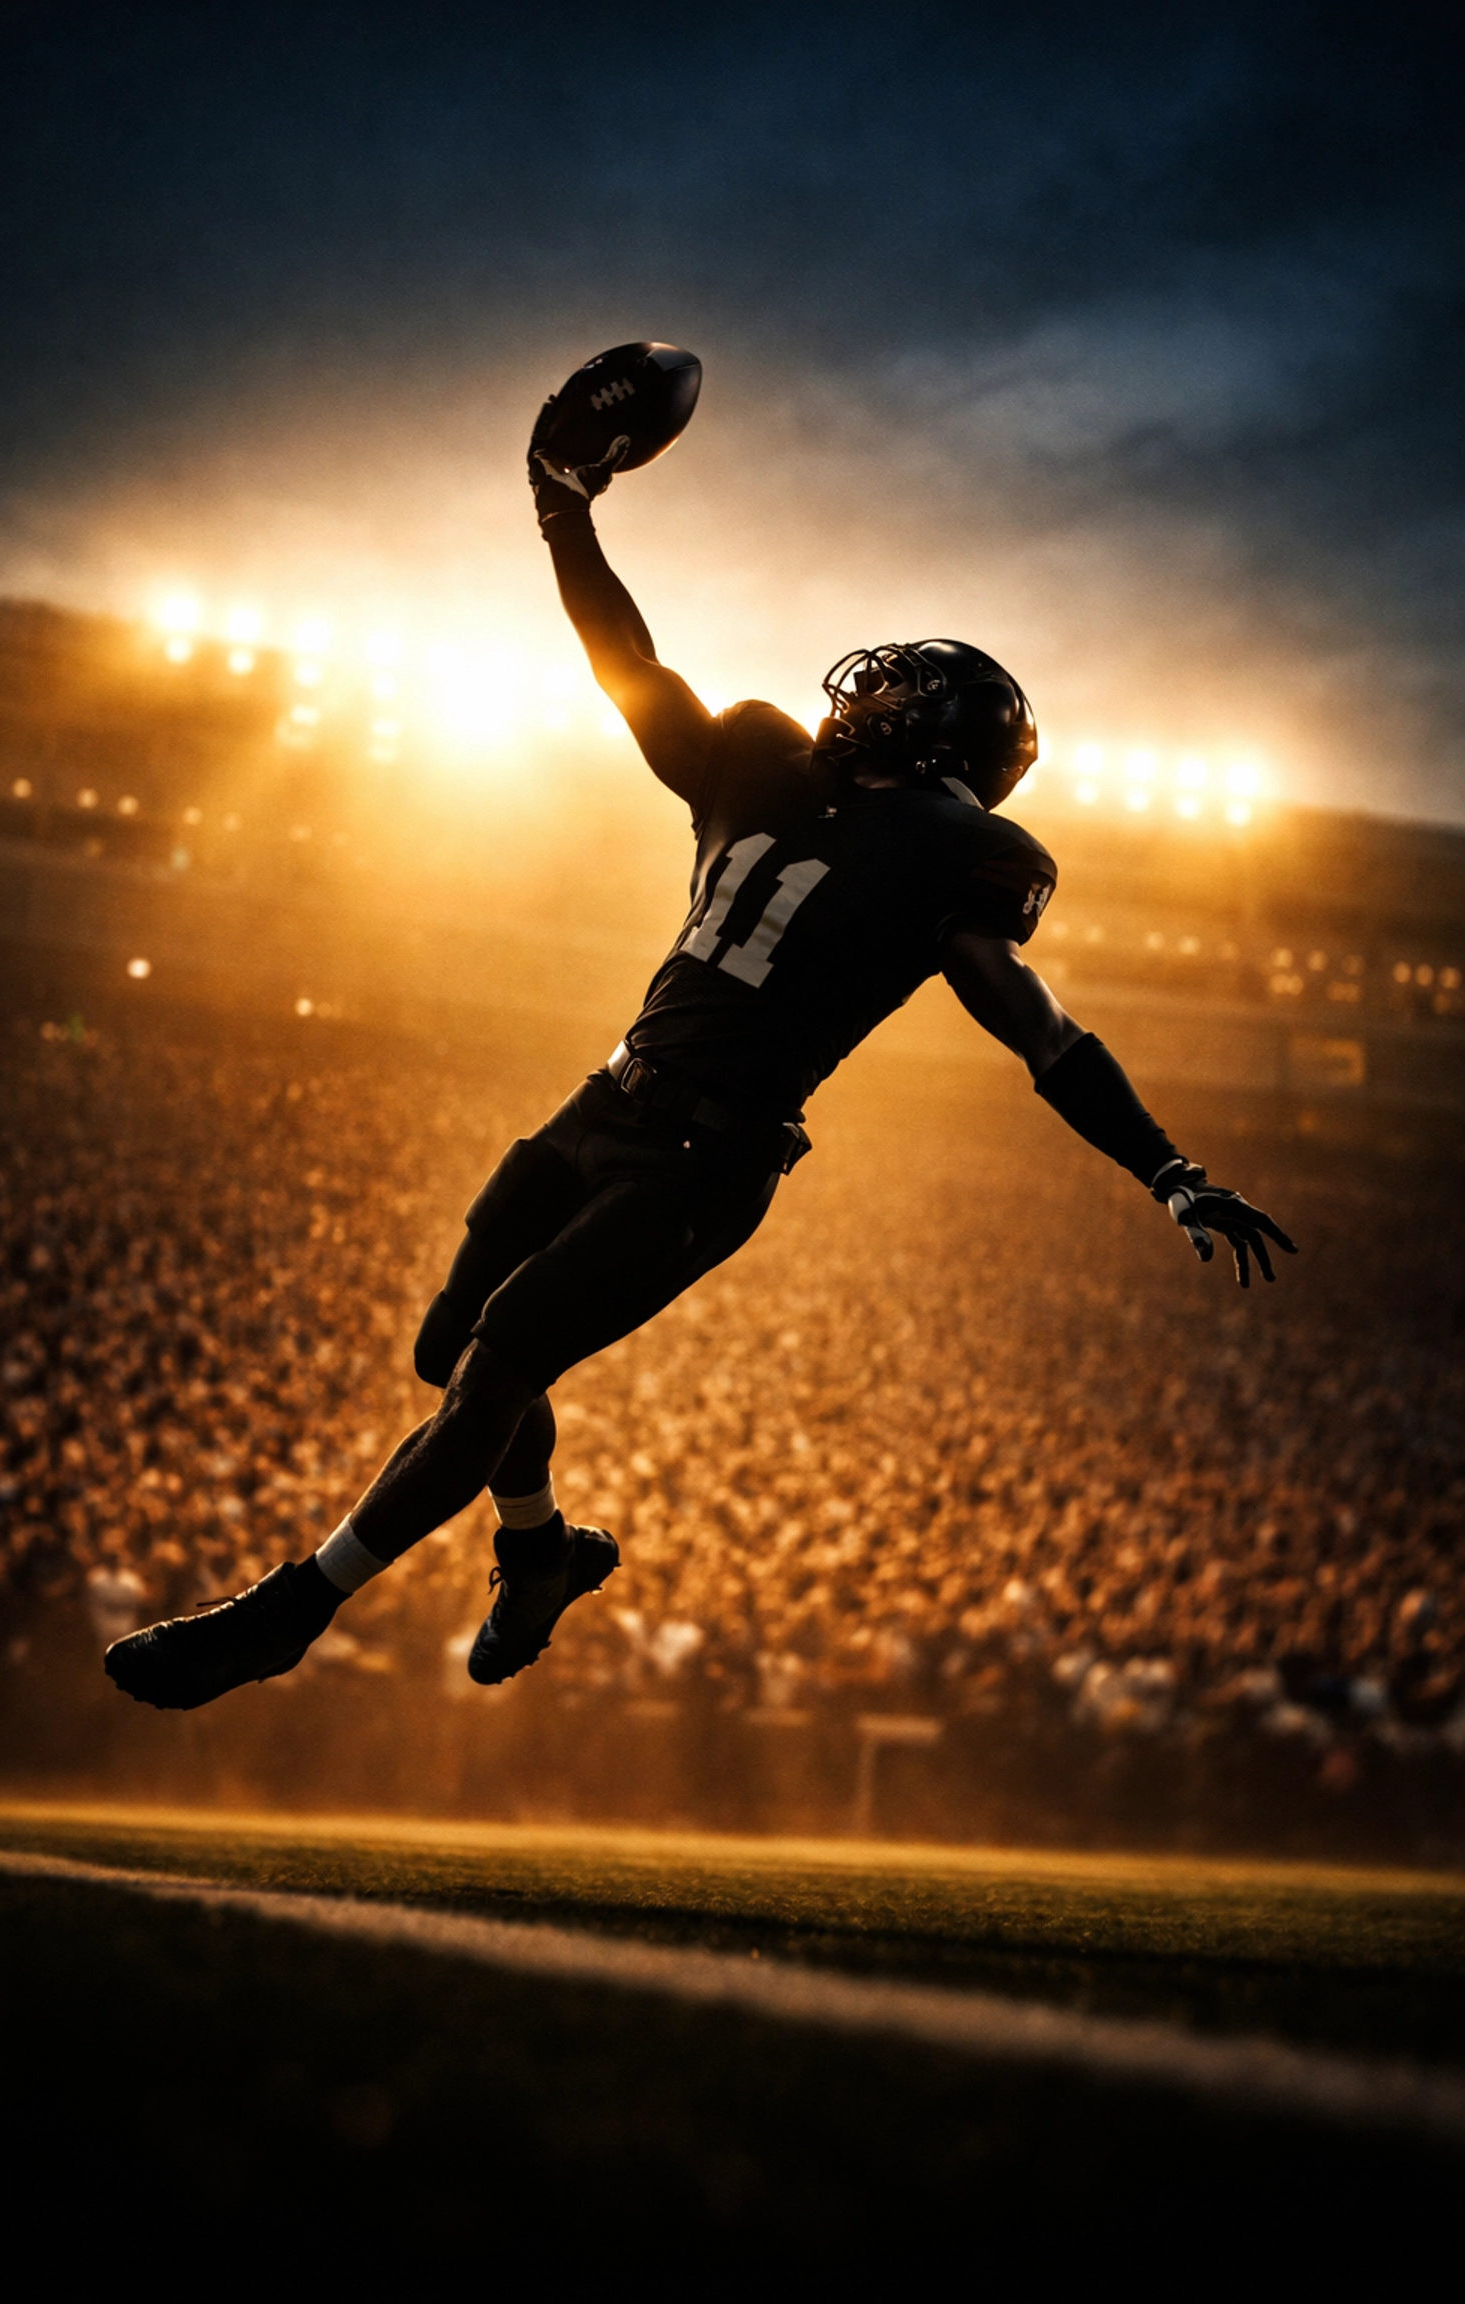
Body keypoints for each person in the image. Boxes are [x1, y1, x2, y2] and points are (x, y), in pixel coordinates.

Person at [106, 420, 1296, 1713]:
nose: (865, 693)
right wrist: (565, 507)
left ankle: (286, 1614)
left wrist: (1166, 1168)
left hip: (709, 1158)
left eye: (898, 688)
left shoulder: (960, 855)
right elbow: (626, 661)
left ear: (939, 734)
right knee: (450, 1346)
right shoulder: (759, 756)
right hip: (605, 1100)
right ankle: (541, 1551)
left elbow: (1034, 1022)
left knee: (501, 1362)